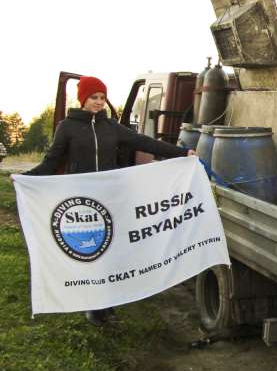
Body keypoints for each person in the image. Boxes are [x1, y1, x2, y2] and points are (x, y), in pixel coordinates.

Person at [25, 75, 196, 325]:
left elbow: (144, 142)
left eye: (102, 98)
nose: (98, 102)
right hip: (80, 201)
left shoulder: (111, 127)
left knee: (110, 251)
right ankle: (92, 306)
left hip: (109, 199)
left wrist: (182, 153)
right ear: (83, 98)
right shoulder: (67, 127)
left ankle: (108, 302)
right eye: (93, 97)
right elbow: (52, 161)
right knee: (89, 251)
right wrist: (26, 178)